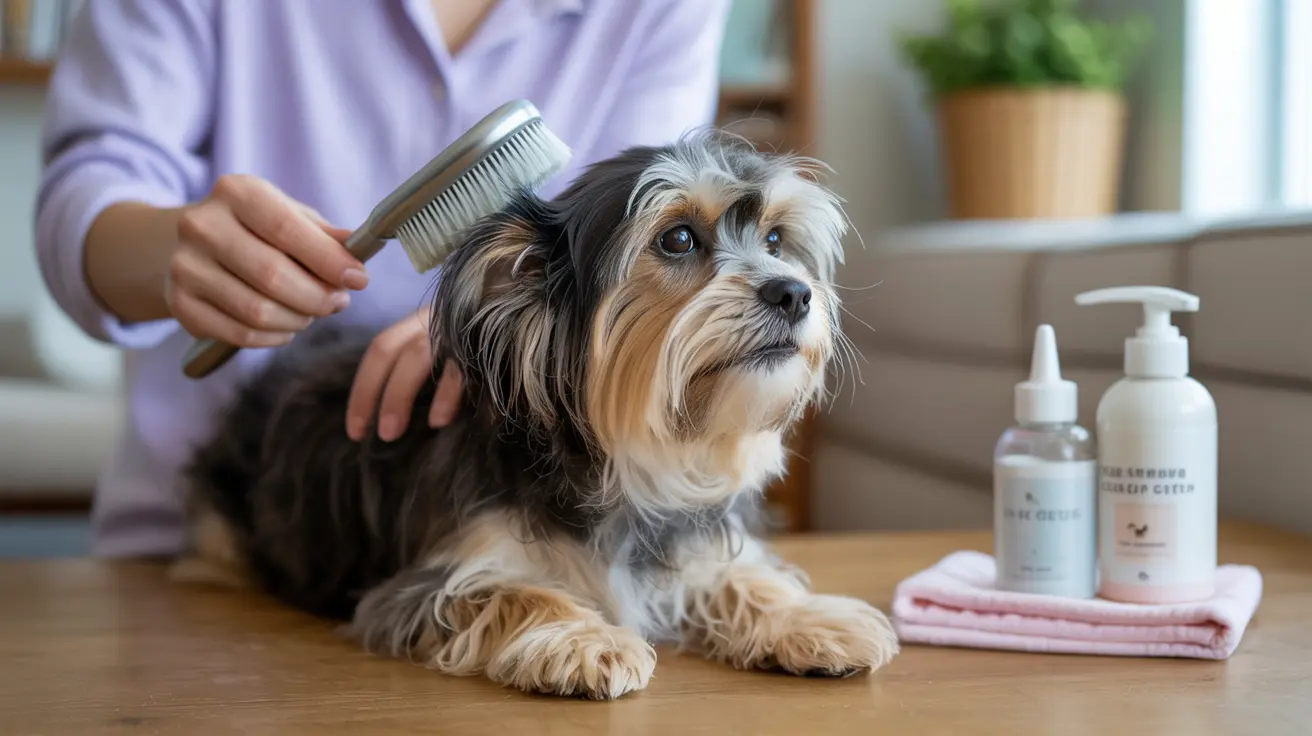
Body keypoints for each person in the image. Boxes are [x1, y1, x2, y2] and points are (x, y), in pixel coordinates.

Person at [35, 0, 731, 558]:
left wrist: (487, 323)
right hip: (222, 531)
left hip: (539, 542)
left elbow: (640, 254)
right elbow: (89, 188)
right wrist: (169, 253)